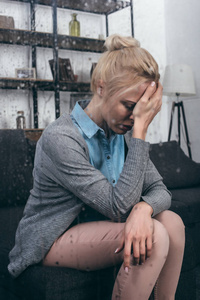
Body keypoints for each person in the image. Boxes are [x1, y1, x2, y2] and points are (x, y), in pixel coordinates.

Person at [8, 34, 185, 299]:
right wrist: (140, 133)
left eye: (142, 111)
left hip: (98, 227)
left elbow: (161, 191)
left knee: (171, 222)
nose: (135, 118)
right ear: (101, 88)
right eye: (129, 106)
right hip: (53, 238)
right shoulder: (62, 137)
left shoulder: (122, 135)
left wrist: (143, 208)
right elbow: (117, 207)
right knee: (156, 235)